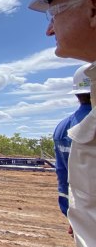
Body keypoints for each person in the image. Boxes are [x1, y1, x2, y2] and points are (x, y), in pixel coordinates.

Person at [28, 0, 96, 247]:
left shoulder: (66, 127)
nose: (49, 29)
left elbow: (63, 179)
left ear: (94, 8)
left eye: (54, 13)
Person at [53, 64, 92, 236]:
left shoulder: (62, 128)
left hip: (83, 216)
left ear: (77, 94)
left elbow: (63, 175)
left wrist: (74, 215)